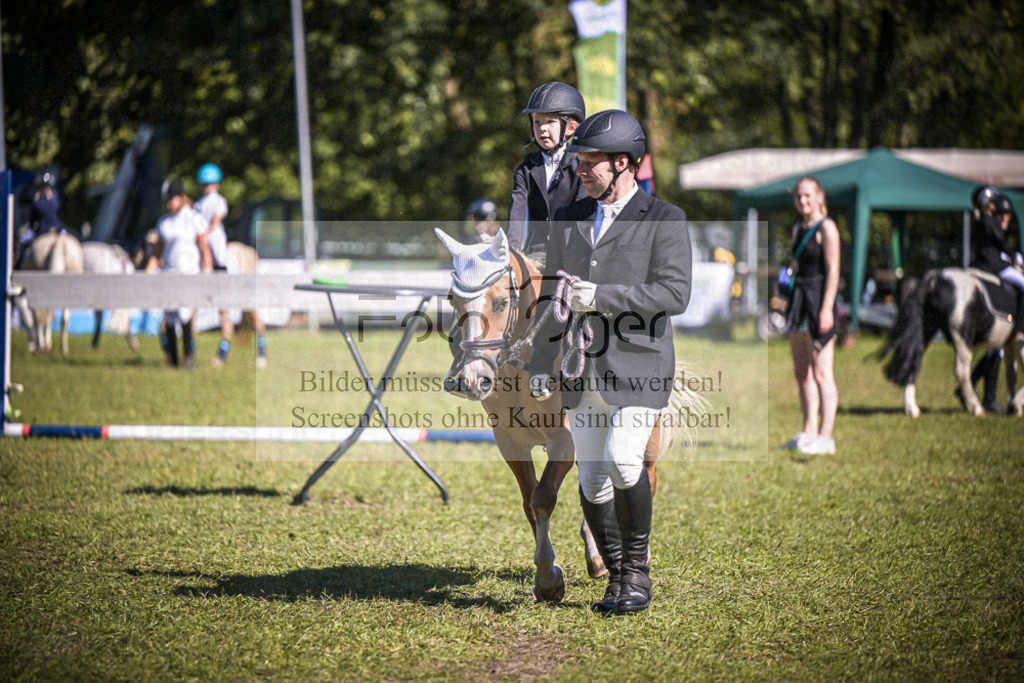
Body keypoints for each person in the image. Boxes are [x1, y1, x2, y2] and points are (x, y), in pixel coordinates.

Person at [528, 110, 692, 615]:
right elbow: (554, 297)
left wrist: (604, 297)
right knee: (592, 478)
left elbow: (675, 293)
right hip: (582, 369)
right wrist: (541, 359)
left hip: (640, 364)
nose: (579, 170)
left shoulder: (665, 219)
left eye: (589, 163)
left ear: (622, 164)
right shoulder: (571, 219)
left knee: (625, 459)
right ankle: (616, 577)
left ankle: (636, 574)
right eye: (578, 162)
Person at [781, 177, 840, 456]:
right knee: (802, 372)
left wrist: (827, 307)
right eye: (798, 196)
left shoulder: (827, 228)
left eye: (807, 195)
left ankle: (826, 438)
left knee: (822, 372)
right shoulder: (798, 229)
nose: (802, 201)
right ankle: (808, 432)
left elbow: (834, 269)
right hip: (798, 303)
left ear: (819, 196)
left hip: (819, 302)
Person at [507, 82, 587, 256]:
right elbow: (517, 214)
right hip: (537, 252)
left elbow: (582, 216)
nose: (542, 128)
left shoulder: (581, 167)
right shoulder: (526, 168)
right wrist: (511, 251)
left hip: (572, 252)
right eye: (537, 122)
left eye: (550, 121)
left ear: (571, 128)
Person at [963, 187, 1023, 413]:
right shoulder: (988, 221)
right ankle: (1021, 328)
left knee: (995, 350)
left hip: (983, 265)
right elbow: (999, 243)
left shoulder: (981, 221)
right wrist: (1014, 255)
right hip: (993, 267)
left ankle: (988, 396)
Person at [146, 178, 204, 369]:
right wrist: (151, 266)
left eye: (172, 199)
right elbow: (159, 250)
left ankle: (188, 356)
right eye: (167, 200)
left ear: (181, 197)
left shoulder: (194, 219)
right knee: (169, 315)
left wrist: (208, 269)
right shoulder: (164, 223)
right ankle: (173, 360)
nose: (169, 203)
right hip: (168, 273)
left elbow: (203, 246)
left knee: (185, 313)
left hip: (188, 273)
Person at [194, 163, 230, 273]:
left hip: (213, 232)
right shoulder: (199, 203)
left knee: (219, 255)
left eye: (210, 184)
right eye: (205, 185)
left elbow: (216, 219)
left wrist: (208, 233)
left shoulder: (219, 200)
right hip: (201, 232)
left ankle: (227, 268)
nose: (207, 187)